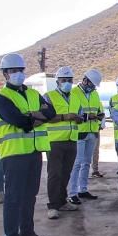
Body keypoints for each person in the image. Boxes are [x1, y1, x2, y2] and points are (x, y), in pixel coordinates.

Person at [0, 53, 54, 236]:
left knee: (30, 195)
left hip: (34, 151)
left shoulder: (33, 94)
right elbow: (20, 121)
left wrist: (31, 117)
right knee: (13, 199)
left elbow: (50, 113)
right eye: (13, 71)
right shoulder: (1, 99)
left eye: (20, 70)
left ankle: (27, 234)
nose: (18, 74)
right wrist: (34, 117)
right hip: (15, 153)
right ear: (5, 74)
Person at [43, 67, 83, 219]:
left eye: (69, 80)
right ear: (57, 81)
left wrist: (80, 118)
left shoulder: (75, 98)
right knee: (54, 174)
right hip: (55, 141)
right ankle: (53, 206)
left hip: (71, 140)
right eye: (64, 80)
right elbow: (46, 117)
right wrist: (66, 117)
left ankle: (61, 201)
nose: (67, 83)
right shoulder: (49, 97)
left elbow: (79, 116)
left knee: (66, 173)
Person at [67, 70, 103, 205]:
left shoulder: (95, 94)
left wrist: (99, 117)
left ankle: (83, 189)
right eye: (92, 84)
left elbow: (99, 110)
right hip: (79, 133)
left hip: (91, 132)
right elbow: (72, 114)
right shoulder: (73, 93)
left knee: (86, 163)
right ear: (85, 80)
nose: (93, 87)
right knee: (77, 163)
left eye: (94, 85)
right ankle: (72, 193)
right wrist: (87, 117)